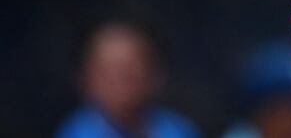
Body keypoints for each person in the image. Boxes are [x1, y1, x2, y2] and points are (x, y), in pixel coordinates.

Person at [54, 21, 200, 138]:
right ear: (85, 79)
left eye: (129, 70)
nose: (119, 82)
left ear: (156, 75)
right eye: (108, 72)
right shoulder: (76, 133)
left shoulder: (177, 129)